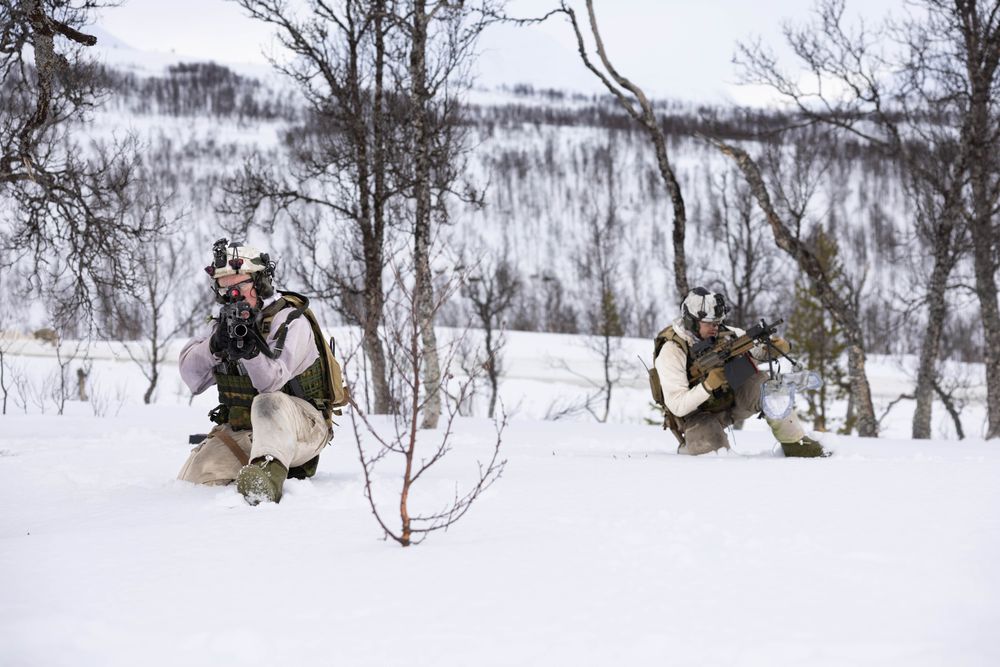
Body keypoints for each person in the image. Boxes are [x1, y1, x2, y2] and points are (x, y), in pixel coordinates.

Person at [177, 239, 336, 504]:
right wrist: (214, 346)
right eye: (225, 291)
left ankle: (265, 479)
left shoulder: (290, 321)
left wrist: (250, 352)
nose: (232, 297)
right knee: (194, 479)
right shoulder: (222, 323)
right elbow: (192, 379)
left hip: (304, 429)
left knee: (268, 401)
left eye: (239, 287)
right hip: (249, 430)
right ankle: (257, 465)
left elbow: (270, 383)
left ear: (260, 283)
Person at [654, 287, 828, 458]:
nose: (715, 327)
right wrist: (708, 385)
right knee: (713, 452)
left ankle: (796, 445)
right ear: (691, 321)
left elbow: (755, 351)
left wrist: (774, 348)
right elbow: (677, 405)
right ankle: (688, 447)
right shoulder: (673, 351)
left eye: (717, 322)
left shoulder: (726, 333)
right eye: (709, 323)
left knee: (769, 389)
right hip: (696, 417)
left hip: (730, 403)